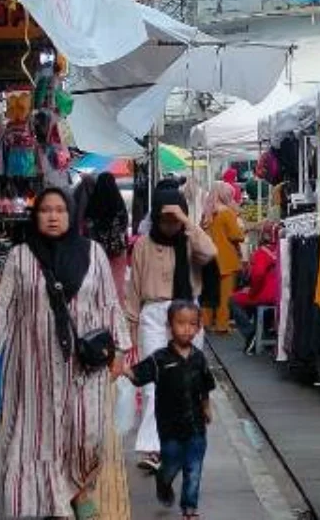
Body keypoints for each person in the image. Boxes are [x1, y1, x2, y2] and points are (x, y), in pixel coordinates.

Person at [0, 188, 131, 520]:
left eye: (60, 209)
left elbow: (108, 302)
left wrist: (119, 349)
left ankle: (80, 487)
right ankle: (53, 501)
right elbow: (0, 306)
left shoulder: (94, 253)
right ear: (36, 215)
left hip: (84, 365)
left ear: (71, 214)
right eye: (45, 210)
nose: (53, 216)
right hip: (34, 364)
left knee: (87, 435)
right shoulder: (19, 256)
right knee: (36, 435)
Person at [128, 188, 217, 472]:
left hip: (188, 315)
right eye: (164, 219)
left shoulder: (191, 241)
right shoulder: (142, 244)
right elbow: (133, 289)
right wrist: (129, 329)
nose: (169, 225)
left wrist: (187, 223)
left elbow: (211, 253)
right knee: (156, 383)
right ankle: (155, 448)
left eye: (174, 219)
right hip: (153, 316)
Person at [124, 300, 215, 520]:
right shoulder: (159, 359)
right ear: (169, 327)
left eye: (192, 324)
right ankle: (163, 480)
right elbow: (138, 375)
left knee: (193, 469)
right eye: (181, 323)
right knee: (172, 463)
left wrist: (206, 406)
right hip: (170, 427)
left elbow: (205, 386)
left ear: (198, 327)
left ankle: (189, 510)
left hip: (196, 427)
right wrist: (121, 368)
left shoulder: (199, 358)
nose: (187, 328)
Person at [230, 221, 280, 352]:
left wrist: (251, 292)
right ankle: (264, 332)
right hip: (282, 294)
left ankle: (251, 333)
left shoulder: (262, 253)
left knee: (234, 299)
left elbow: (258, 276)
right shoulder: (285, 249)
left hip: (265, 294)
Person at [202, 181, 244, 334]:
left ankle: (205, 322)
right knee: (225, 296)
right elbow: (235, 235)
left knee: (208, 293)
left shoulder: (206, 213)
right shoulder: (226, 212)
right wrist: (241, 230)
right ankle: (221, 326)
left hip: (208, 258)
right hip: (226, 259)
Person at [85, 172, 130, 303]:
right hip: (118, 249)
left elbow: (88, 225)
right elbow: (124, 224)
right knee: (117, 283)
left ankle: (100, 308)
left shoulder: (93, 204)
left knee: (98, 282)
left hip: (97, 250)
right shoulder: (118, 204)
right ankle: (116, 312)